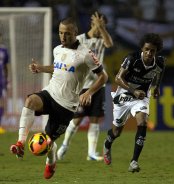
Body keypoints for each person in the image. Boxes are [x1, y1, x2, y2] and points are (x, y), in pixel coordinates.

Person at [9, 17, 108, 179]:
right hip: (50, 93)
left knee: (47, 142)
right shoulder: (57, 49)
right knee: (30, 101)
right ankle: (20, 143)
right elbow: (57, 68)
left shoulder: (86, 54)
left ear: (75, 33)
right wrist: (40, 68)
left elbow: (103, 76)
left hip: (67, 106)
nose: (63, 37)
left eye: (67, 34)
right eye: (61, 33)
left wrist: (88, 92)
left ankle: (51, 162)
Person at [103, 33, 165, 172]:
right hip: (124, 94)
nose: (149, 53)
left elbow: (159, 74)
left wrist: (156, 87)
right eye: (146, 49)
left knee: (142, 122)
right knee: (117, 131)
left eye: (152, 51)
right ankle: (108, 142)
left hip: (142, 97)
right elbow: (118, 78)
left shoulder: (160, 63)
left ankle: (134, 162)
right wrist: (133, 90)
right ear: (142, 49)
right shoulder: (132, 59)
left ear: (156, 51)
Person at [57, 12, 113, 161]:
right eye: (97, 24)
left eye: (103, 25)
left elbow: (109, 44)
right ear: (91, 23)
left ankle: (91, 153)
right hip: (81, 85)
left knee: (95, 119)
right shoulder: (80, 39)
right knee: (77, 119)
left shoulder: (102, 40)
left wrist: (101, 28)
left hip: (97, 85)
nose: (99, 28)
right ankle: (65, 145)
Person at [0, 33, 9, 134]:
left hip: (0, 80)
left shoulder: (3, 50)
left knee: (1, 102)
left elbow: (6, 67)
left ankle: (0, 125)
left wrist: (6, 80)